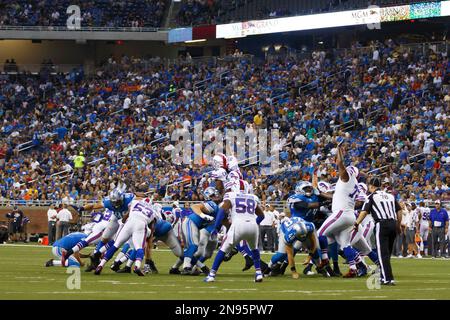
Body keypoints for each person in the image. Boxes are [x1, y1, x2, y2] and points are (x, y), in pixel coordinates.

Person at [204, 179, 265, 283]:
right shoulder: (252, 197)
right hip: (253, 225)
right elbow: (261, 216)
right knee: (254, 249)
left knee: (223, 249)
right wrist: (253, 223)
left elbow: (222, 211)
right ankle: (258, 273)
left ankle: (211, 275)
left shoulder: (231, 196)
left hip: (238, 224)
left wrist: (216, 227)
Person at [317, 145, 361, 278]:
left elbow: (341, 163)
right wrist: (322, 193)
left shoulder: (346, 178)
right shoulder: (353, 184)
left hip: (341, 213)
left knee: (320, 233)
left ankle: (324, 258)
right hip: (349, 215)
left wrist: (338, 150)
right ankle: (353, 268)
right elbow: (336, 195)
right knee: (344, 244)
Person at [354, 176, 403, 286]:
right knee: (387, 253)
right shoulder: (390, 196)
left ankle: (387, 279)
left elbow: (364, 212)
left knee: (382, 253)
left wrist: (356, 223)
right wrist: (398, 225)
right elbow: (399, 210)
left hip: (382, 224)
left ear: (371, 186)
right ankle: (384, 276)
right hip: (393, 223)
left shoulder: (371, 196)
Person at [95, 198, 158, 276]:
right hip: (141, 224)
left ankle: (100, 265)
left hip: (129, 223)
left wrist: (124, 222)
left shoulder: (135, 203)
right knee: (139, 248)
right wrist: (149, 237)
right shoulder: (153, 212)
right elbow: (152, 227)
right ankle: (137, 266)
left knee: (116, 245)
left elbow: (125, 217)